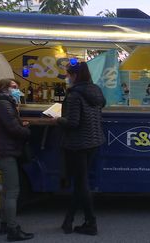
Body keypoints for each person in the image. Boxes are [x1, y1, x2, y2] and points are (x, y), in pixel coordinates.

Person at [57, 62, 106, 235]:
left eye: (69, 75)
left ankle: (91, 223)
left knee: (81, 183)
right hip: (94, 141)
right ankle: (68, 220)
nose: (67, 78)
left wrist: (57, 119)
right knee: (80, 183)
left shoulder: (74, 95)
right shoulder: (96, 91)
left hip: (78, 144)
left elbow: (72, 123)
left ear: (75, 76)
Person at [0, 79, 34, 242]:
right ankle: (12, 230)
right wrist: (26, 130)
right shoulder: (4, 104)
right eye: (14, 87)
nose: (17, 90)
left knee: (5, 190)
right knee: (12, 192)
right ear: (5, 89)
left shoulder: (3, 103)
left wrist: (19, 123)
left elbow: (9, 124)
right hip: (5, 152)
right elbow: (13, 129)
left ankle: (4, 224)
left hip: (1, 151)